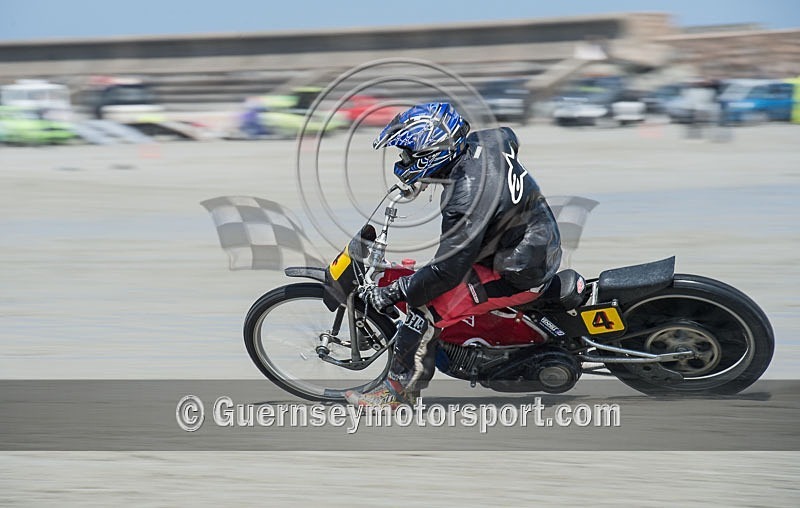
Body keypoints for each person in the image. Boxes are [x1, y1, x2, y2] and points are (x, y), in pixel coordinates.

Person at [345, 102, 562, 409]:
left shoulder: (465, 199)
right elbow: (509, 135)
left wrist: (396, 291)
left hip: (520, 268)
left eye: (408, 153)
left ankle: (396, 393)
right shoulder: (488, 142)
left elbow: (447, 272)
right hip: (533, 237)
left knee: (423, 308)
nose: (403, 159)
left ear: (432, 151)